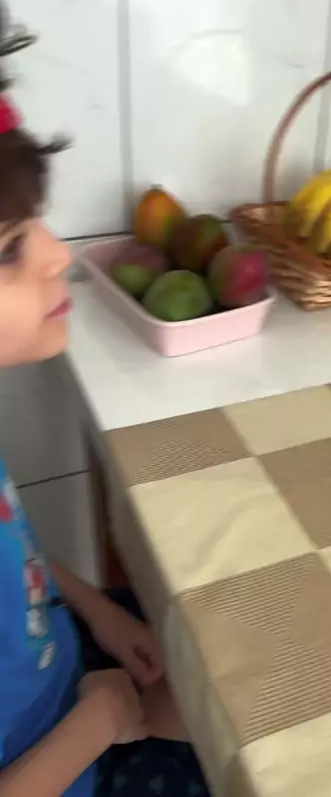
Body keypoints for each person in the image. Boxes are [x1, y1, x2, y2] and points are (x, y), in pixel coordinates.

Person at [0, 94, 210, 797]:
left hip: (67, 677)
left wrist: (95, 608)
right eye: (9, 249)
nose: (57, 253)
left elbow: (16, 557)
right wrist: (102, 719)